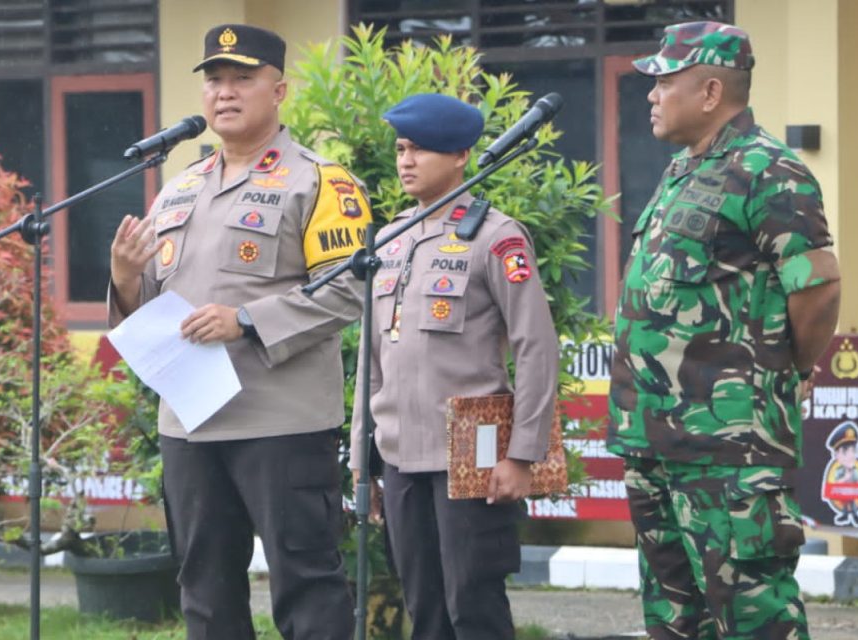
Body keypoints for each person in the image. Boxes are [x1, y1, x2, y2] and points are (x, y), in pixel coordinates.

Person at [108, 23, 372, 640]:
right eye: (215, 80)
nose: (225, 93)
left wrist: (246, 319)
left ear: (278, 90)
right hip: (191, 423)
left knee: (305, 583)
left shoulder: (320, 182)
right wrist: (124, 280)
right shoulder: (179, 189)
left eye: (242, 79)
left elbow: (349, 287)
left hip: (281, 421)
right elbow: (152, 305)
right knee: (204, 588)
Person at [607, 21, 842, 640]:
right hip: (654, 440)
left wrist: (786, 367)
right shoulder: (683, 170)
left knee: (753, 619)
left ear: (710, 91)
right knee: (673, 620)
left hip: (729, 447)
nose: (651, 94)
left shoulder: (769, 171)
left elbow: (817, 289)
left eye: (664, 81)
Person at [349, 93, 560, 640]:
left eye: (422, 148)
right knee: (424, 607)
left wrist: (522, 454)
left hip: (472, 451)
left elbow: (536, 346)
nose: (406, 160)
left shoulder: (497, 237)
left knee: (473, 603)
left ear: (461, 155)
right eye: (401, 148)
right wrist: (362, 462)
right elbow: (373, 360)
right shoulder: (390, 240)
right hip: (398, 453)